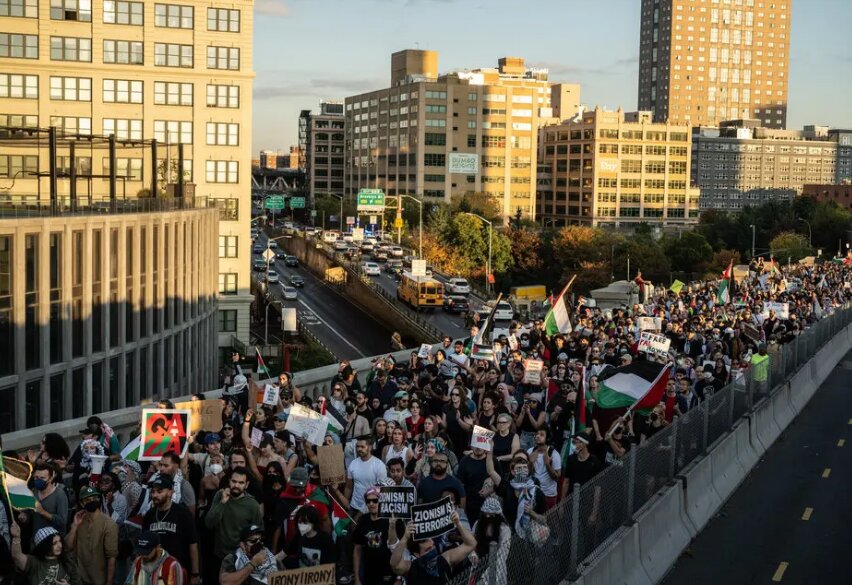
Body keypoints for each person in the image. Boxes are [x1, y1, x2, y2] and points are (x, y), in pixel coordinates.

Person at [204, 467, 263, 579]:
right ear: (229, 481)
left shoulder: (252, 505)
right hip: (219, 556)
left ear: (246, 485)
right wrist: (223, 502)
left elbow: (258, 534)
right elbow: (209, 523)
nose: (236, 485)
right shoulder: (220, 495)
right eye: (234, 481)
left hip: (241, 558)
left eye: (241, 483)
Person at [389, 510, 476, 584]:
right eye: (424, 541)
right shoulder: (411, 567)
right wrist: (405, 537)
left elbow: (471, 544)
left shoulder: (445, 559)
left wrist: (458, 523)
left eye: (431, 539)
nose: (431, 543)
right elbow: (395, 565)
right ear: (417, 554)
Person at [141, 474, 200, 583]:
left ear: (170, 492)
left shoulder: (183, 513)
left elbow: (193, 544)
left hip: (178, 569)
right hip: (154, 571)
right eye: (153, 492)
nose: (155, 495)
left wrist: (195, 574)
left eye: (159, 492)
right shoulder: (149, 515)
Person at [65, 486, 118, 585]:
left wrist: (109, 582)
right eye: (88, 500)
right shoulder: (79, 521)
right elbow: (68, 546)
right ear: (82, 503)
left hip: (99, 580)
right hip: (79, 579)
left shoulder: (109, 524)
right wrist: (75, 526)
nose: (92, 501)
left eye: (95, 498)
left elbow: (111, 557)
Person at [9, 523, 81, 585]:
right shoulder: (34, 562)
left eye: (60, 541)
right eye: (54, 543)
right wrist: (16, 537)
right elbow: (17, 556)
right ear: (44, 546)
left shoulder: (67, 562)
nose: (60, 545)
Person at [352, 487, 395, 585]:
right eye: (368, 501)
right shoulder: (363, 520)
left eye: (375, 500)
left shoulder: (391, 520)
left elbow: (400, 548)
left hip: (388, 574)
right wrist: (357, 579)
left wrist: (399, 578)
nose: (371, 504)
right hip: (369, 575)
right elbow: (357, 550)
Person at [219, 525, 284, 585]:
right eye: (253, 541)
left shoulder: (270, 557)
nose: (258, 544)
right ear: (243, 545)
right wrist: (252, 564)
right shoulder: (233, 558)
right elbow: (225, 582)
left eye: (261, 540)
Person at [470, 497, 512, 585]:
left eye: (491, 514)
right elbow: (471, 541)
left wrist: (485, 577)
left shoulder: (504, 529)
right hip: (478, 563)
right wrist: (473, 553)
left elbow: (503, 553)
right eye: (486, 514)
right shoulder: (478, 524)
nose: (488, 516)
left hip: (496, 565)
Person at [344, 437, 388, 516]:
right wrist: (346, 503)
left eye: (362, 447)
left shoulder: (379, 465)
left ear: (370, 447)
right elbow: (348, 487)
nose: (359, 449)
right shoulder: (353, 463)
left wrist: (365, 508)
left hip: (371, 507)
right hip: (354, 506)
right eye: (357, 447)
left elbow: (381, 490)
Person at [27, 460, 69, 539]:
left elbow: (62, 521)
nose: (38, 480)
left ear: (51, 478)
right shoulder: (33, 492)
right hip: (37, 538)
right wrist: (25, 515)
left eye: (42, 478)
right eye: (36, 477)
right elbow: (30, 512)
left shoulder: (59, 494)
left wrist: (43, 512)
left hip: (54, 541)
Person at [527, 428, 562, 510]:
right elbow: (527, 474)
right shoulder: (530, 451)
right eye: (537, 434)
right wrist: (530, 463)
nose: (537, 436)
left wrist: (547, 464)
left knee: (549, 519)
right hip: (533, 492)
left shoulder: (554, 454)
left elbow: (557, 477)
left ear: (547, 438)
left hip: (548, 494)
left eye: (541, 435)